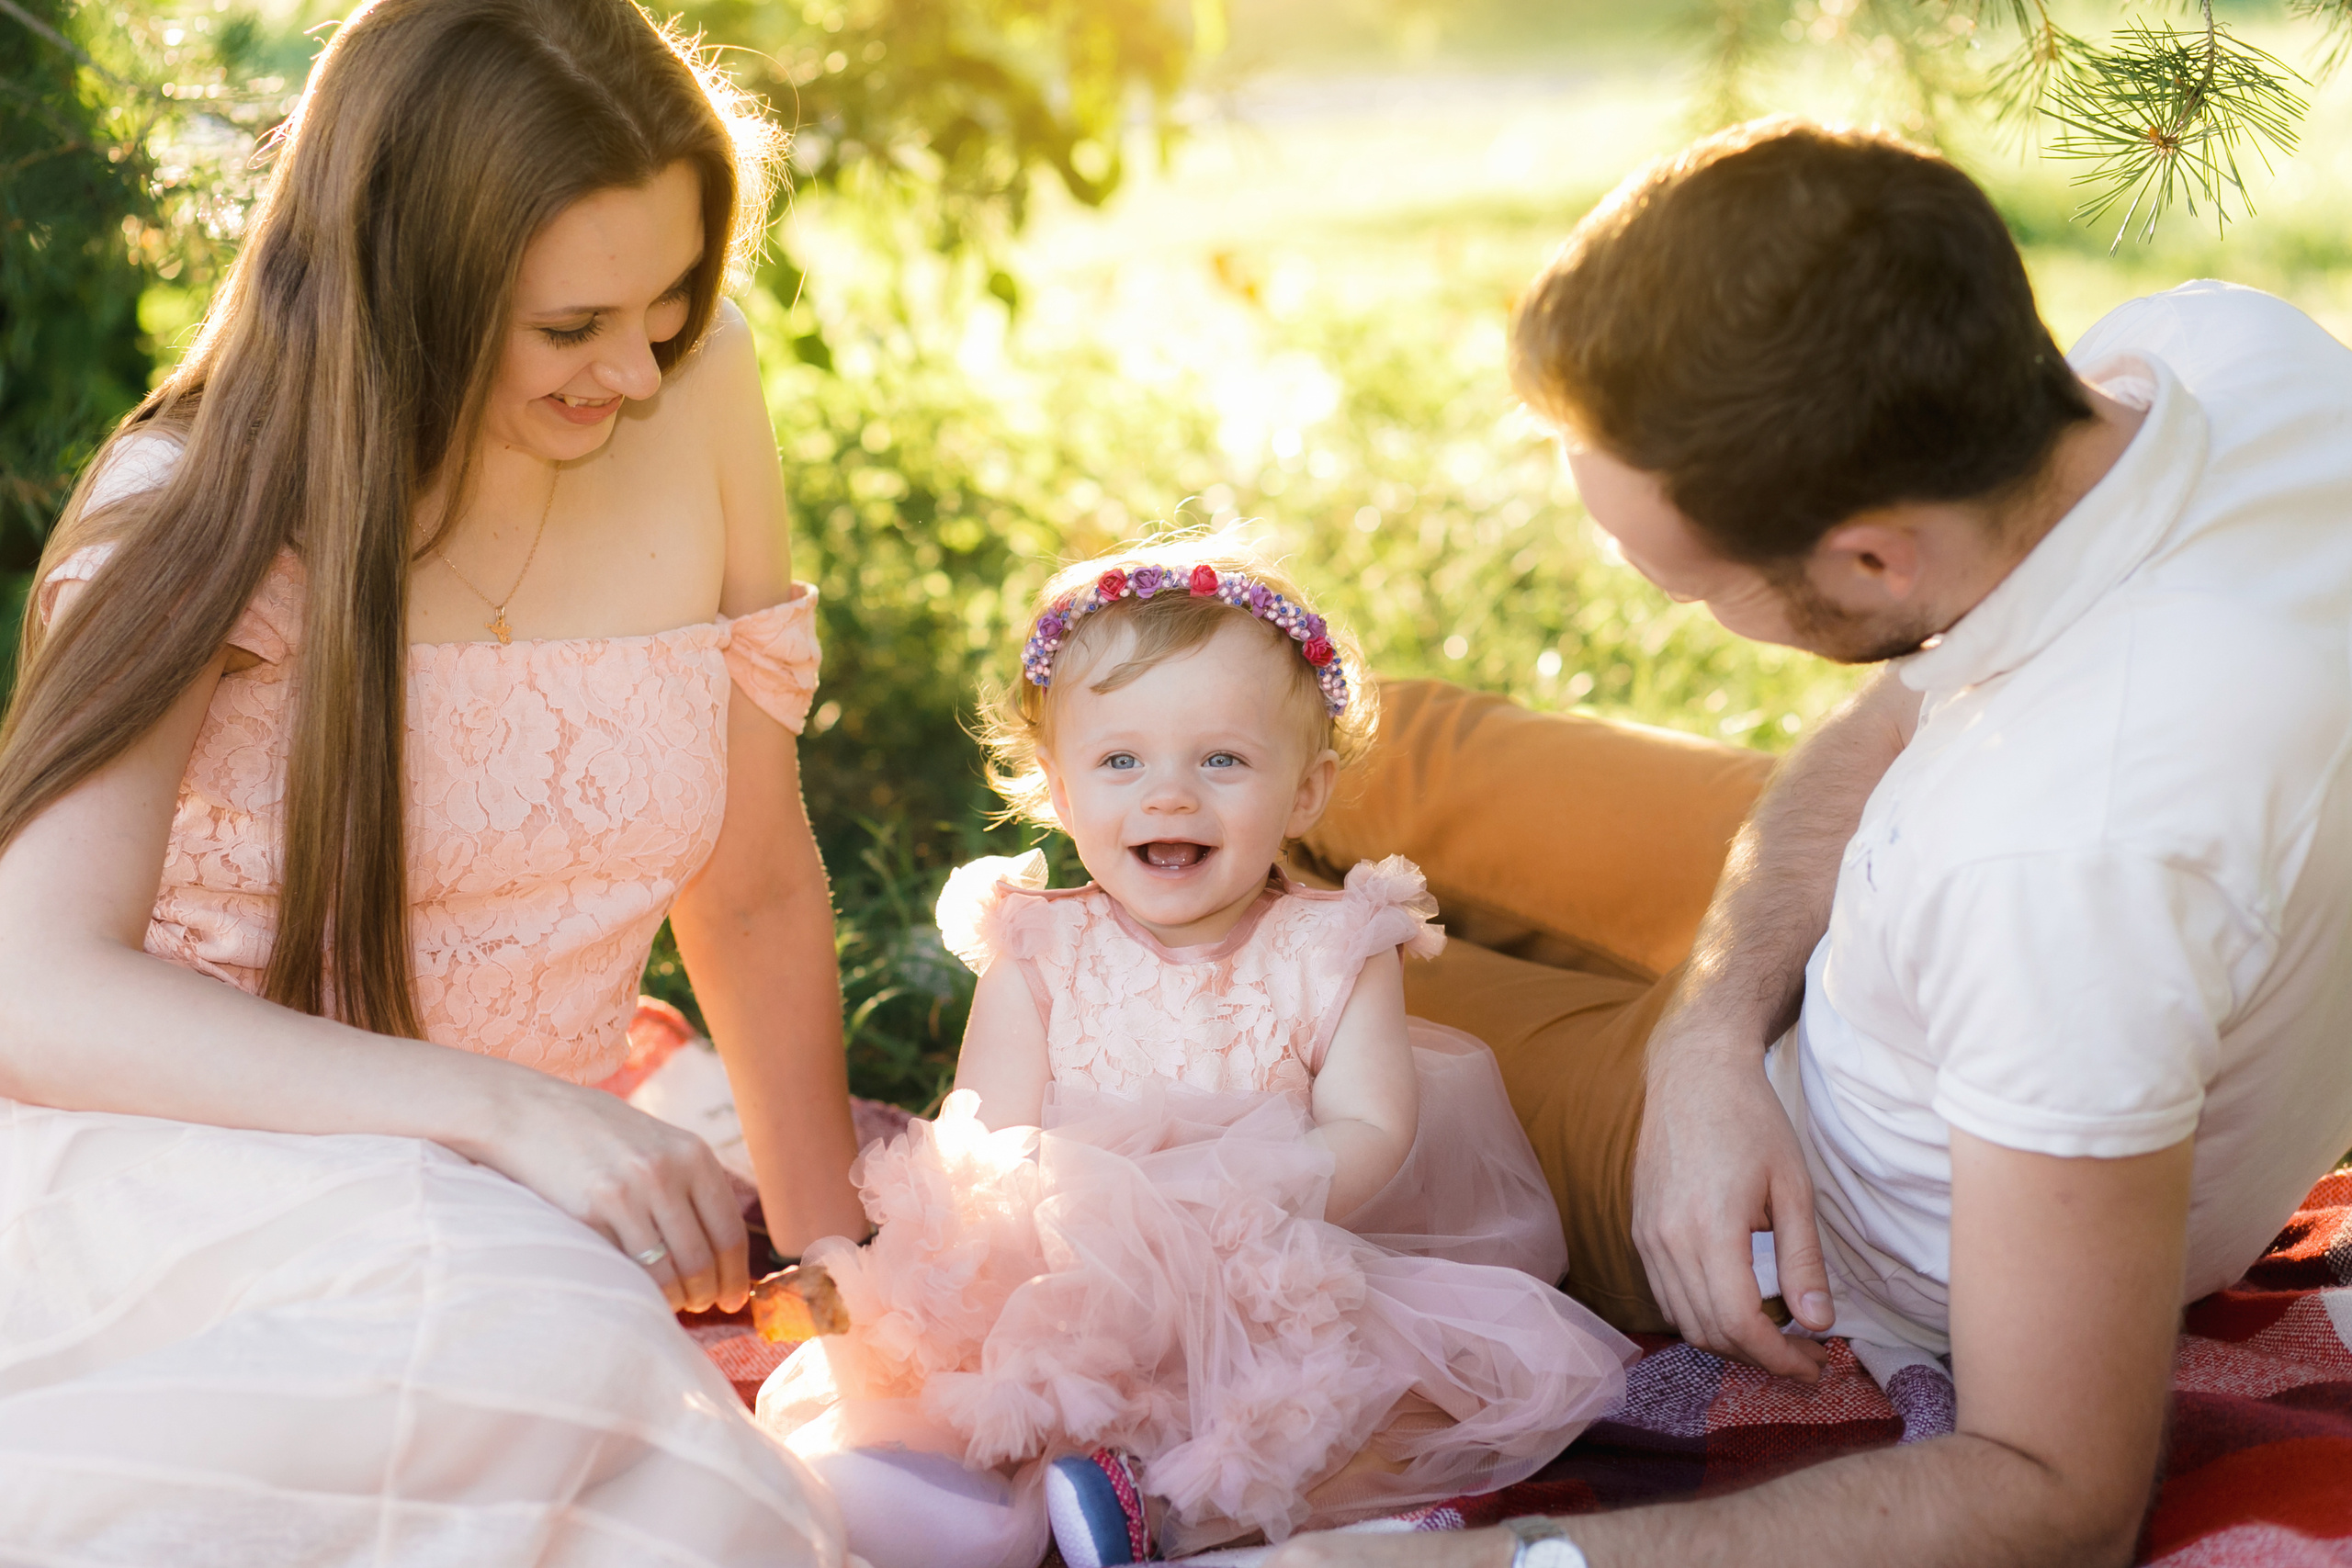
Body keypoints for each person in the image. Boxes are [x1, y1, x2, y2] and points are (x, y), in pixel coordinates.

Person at [1267, 118, 2352, 1567]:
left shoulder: (2068, 861)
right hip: (1878, 937)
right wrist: (1709, 1033)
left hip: (1834, 1190)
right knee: (1337, 748)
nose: (1671, 606)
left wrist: (1504, 1561)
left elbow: (2057, 1489)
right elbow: (1897, 719)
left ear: (1869, 557)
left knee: (1228, 955)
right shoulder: (2227, 360)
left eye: (1693, 585)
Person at [0, 1, 871, 1560]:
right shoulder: (186, 506)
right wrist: (504, 1117)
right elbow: (32, 988)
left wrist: (839, 1276)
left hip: (521, 1192)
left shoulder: (697, 382)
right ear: (403, 291)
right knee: (553, 1383)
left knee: (620, 1405)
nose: (639, 372)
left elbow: (746, 879)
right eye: (569, 328)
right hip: (188, 1181)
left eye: (667, 301)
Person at [754, 544, 1634, 1568]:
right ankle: (955, 1492)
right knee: (955, 1356)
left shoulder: (1336, 945)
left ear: (1305, 794)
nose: (1169, 796)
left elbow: (1371, 1126)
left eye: (1220, 760)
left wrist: (1262, 1202)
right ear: (1059, 789)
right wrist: (960, 1257)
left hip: (1269, 1257)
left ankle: (1150, 1514)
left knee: (1358, 1406)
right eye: (1121, 761)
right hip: (1071, 1258)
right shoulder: (1038, 943)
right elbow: (985, 1133)